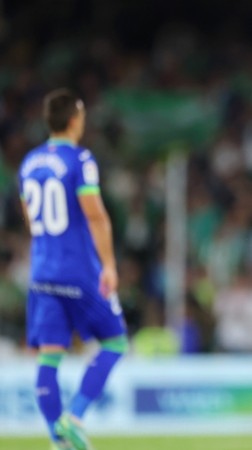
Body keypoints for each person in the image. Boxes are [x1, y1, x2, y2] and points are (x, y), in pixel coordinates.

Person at [19, 89, 127, 450]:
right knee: (115, 340)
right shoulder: (81, 159)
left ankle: (57, 441)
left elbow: (30, 222)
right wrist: (109, 265)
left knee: (49, 355)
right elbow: (95, 215)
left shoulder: (28, 163)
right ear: (74, 119)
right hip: (78, 270)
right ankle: (75, 416)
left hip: (42, 273)